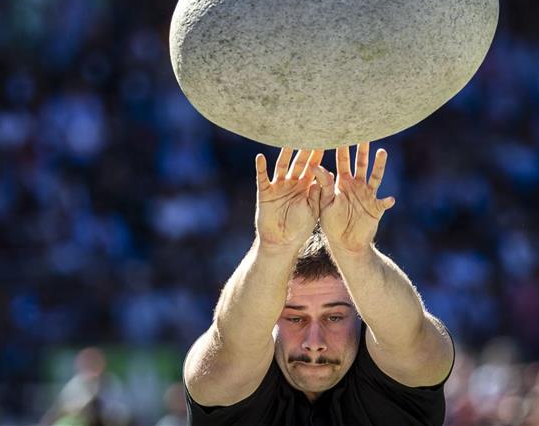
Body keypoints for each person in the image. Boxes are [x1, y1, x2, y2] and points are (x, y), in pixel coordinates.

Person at [183, 143, 455, 425]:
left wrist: (355, 252)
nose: (314, 343)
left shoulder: (398, 379)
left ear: (362, 315)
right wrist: (273, 248)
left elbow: (413, 339)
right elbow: (230, 347)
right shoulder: (226, 377)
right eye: (295, 317)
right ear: (270, 316)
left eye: (334, 317)